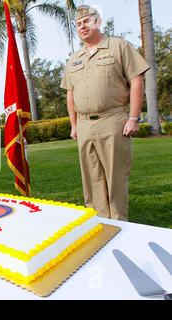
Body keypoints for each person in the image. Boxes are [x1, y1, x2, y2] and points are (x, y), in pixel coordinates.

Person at [60, 5, 150, 221]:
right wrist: (74, 125)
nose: (82, 26)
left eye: (87, 21)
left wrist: (134, 117)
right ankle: (100, 223)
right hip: (84, 125)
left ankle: (119, 225)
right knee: (92, 179)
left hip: (113, 121)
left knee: (115, 177)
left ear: (98, 22)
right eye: (78, 24)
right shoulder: (74, 58)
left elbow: (136, 81)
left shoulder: (119, 46)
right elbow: (70, 94)